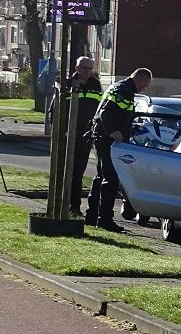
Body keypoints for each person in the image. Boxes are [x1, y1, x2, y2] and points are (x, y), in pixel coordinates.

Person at [90, 68, 152, 232]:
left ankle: (92, 215)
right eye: (145, 83)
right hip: (107, 139)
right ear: (140, 79)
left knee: (101, 176)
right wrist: (113, 131)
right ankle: (104, 219)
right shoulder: (123, 90)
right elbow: (105, 112)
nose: (145, 88)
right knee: (110, 179)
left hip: (102, 137)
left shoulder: (121, 88)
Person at [64, 57, 103, 218]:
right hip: (69, 134)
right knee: (67, 171)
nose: (87, 71)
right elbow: (58, 110)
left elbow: (99, 109)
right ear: (76, 68)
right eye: (84, 68)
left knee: (79, 172)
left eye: (90, 68)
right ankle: (64, 204)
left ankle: (75, 207)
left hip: (86, 135)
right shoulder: (68, 84)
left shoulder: (95, 85)